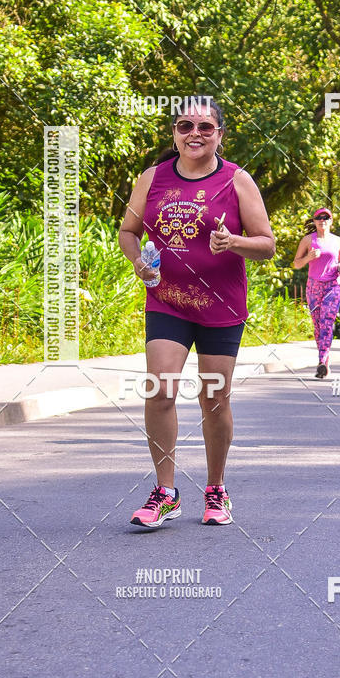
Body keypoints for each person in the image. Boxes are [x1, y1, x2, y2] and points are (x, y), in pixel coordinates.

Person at [119, 97, 275, 526]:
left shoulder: (237, 180)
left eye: (205, 127)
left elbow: (267, 243)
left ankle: (216, 487)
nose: (195, 134)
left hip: (221, 306)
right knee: (161, 390)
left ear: (219, 135)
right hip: (167, 300)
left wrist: (235, 243)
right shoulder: (152, 178)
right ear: (175, 133)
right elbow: (128, 231)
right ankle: (165, 491)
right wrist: (138, 262)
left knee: (213, 399)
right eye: (186, 126)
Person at [293, 208, 340, 378]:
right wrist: (308, 258)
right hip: (314, 286)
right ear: (314, 221)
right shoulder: (308, 240)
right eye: (319, 217)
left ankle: (321, 361)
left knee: (326, 322)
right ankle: (325, 363)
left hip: (333, 286)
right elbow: (296, 264)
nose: (322, 220)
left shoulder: (338, 240)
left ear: (331, 221)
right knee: (318, 326)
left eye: (326, 217)